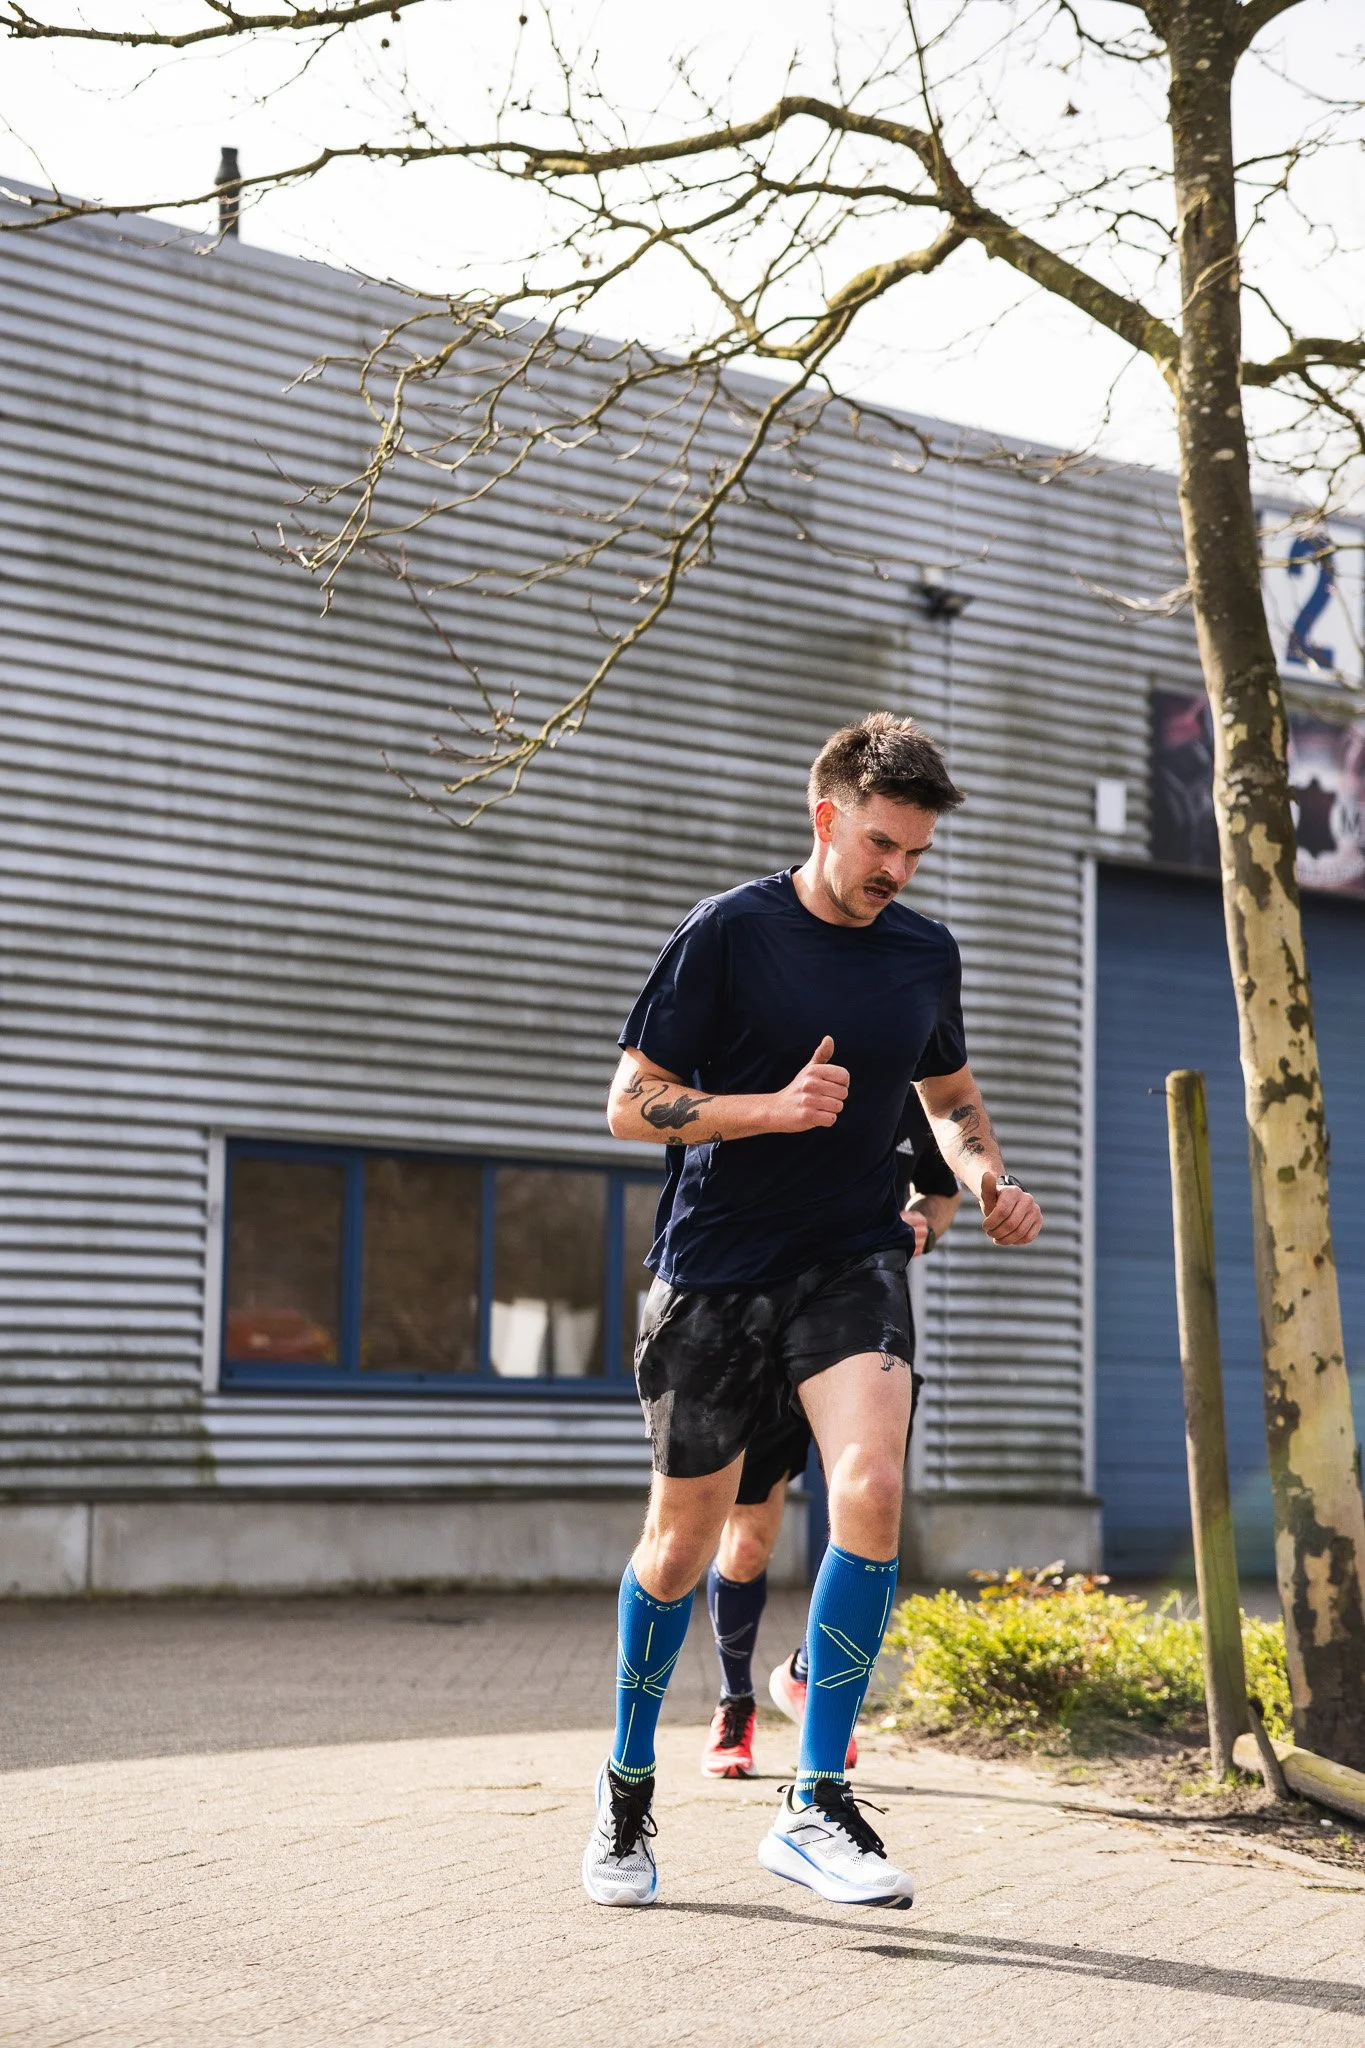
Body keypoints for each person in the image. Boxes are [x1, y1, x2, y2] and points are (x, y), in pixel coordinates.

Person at [581, 712, 1042, 1912]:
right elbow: (629, 1105)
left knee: (873, 1489)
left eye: (918, 853)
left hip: (851, 1256)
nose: (898, 869)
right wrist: (767, 1109)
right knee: (682, 1547)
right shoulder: (730, 932)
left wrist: (983, 1175)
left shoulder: (922, 953)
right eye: (883, 843)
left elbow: (948, 1091)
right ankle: (626, 1786)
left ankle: (816, 1794)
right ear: (827, 815)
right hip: (717, 1268)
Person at [700, 1095, 961, 1780]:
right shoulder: (780, 1068)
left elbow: (940, 1191)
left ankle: (812, 1681)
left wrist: (921, 1227)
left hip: (856, 1339)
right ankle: (734, 1700)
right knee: (749, 1540)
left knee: (866, 1512)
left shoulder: (908, 1093)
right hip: (755, 1330)